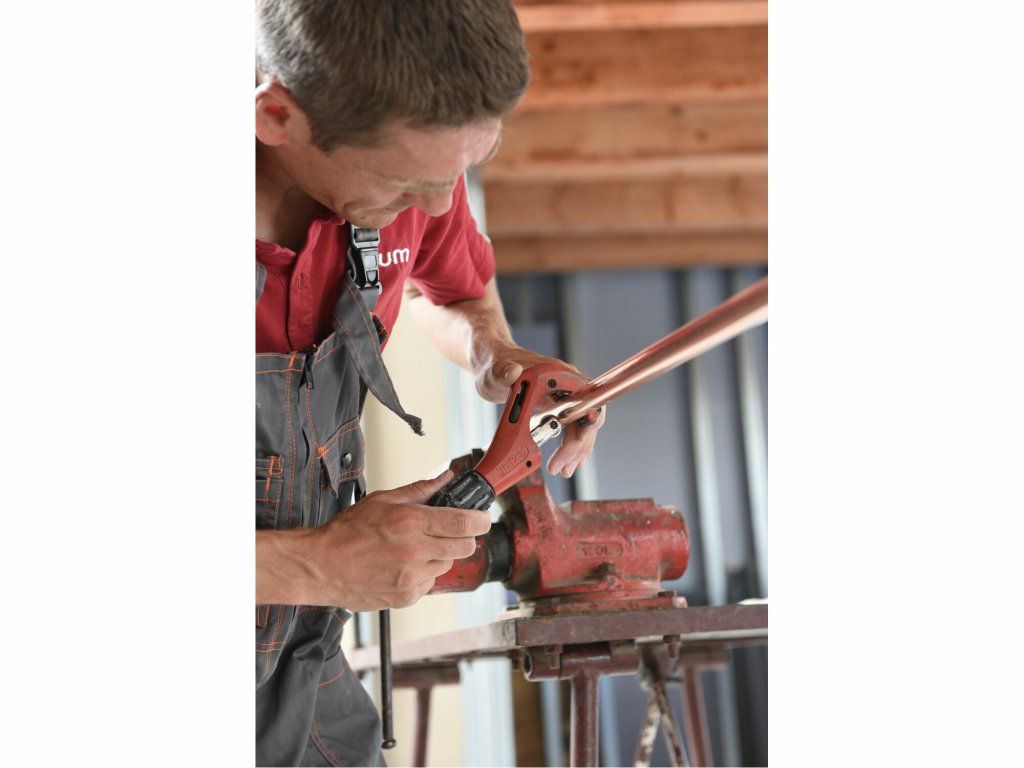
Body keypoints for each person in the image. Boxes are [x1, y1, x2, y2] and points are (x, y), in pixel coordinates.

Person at [254, 1, 606, 764]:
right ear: (277, 116)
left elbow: (454, 293)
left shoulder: (420, 175)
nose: (444, 206)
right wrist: (321, 563)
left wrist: (494, 356)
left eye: (464, 169)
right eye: (408, 180)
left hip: (306, 669)